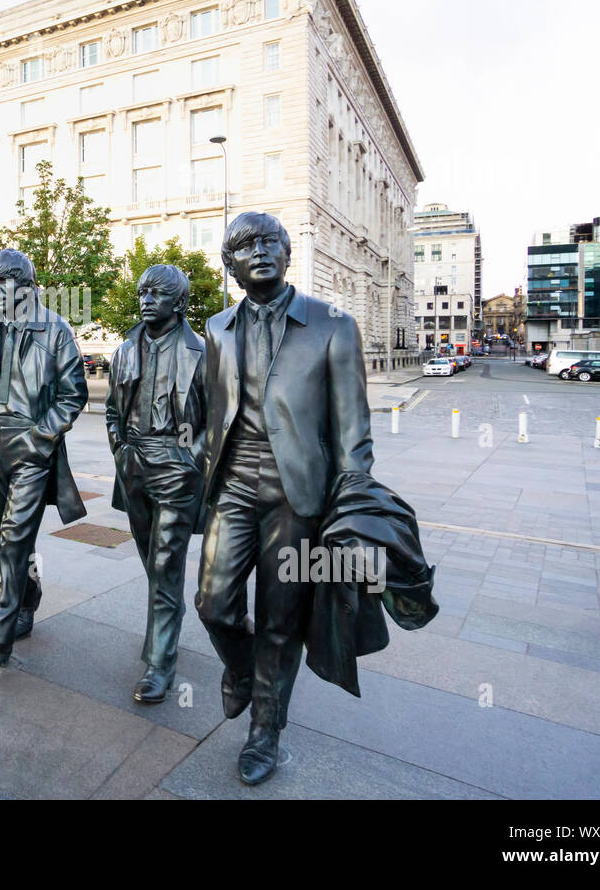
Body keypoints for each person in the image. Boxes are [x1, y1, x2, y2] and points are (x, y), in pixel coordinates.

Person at [195, 212, 374, 786]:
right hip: (233, 486)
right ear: (231, 265)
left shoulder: (332, 324)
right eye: (246, 244)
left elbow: (354, 431)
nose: (262, 249)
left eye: (272, 240)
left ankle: (265, 730)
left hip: (299, 498)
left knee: (281, 620)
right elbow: (208, 409)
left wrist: (353, 501)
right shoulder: (217, 327)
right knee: (213, 603)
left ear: (287, 254)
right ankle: (243, 672)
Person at [0, 248, 88, 671]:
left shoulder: (55, 331)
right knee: (13, 538)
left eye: (2, 282)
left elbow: (75, 394)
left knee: (13, 540)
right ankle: (29, 597)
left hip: (32, 448)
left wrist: (41, 438)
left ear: (27, 286)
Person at [105, 264, 206, 703]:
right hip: (134, 465)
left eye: (157, 295)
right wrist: (120, 448)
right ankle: (170, 613)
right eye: (142, 293)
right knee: (152, 560)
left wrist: (190, 459)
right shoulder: (126, 349)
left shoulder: (203, 353)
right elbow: (112, 409)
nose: (145, 301)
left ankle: (160, 662)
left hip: (177, 469)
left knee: (165, 563)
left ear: (179, 303)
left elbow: (218, 420)